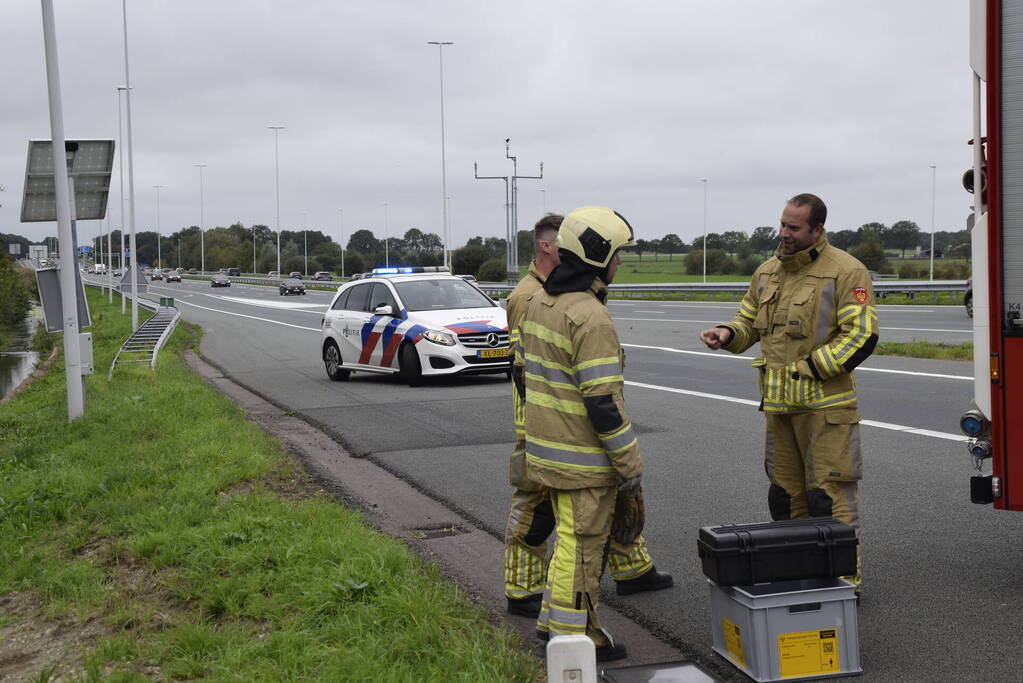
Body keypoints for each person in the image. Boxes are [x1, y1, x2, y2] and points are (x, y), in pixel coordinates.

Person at [698, 193, 878, 590]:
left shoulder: (846, 271)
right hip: (779, 410)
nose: (784, 234)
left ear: (817, 229)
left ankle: (845, 583)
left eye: (793, 228)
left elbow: (861, 335)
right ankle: (800, 573)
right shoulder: (767, 272)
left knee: (828, 499)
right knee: (786, 498)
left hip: (826, 412)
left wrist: (810, 368)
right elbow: (747, 321)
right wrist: (726, 334)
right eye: (782, 224)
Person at [515, 206, 666, 661]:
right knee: (583, 548)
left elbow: (522, 372)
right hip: (583, 461)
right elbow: (604, 406)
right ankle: (575, 640)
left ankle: (553, 623)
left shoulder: (541, 302)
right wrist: (630, 465)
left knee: (568, 543)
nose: (621, 262)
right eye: (618, 254)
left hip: (546, 454)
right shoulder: (591, 317)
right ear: (599, 255)